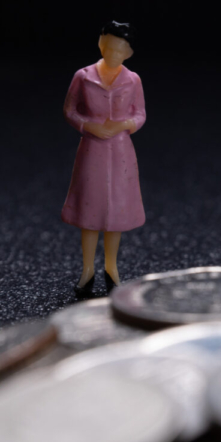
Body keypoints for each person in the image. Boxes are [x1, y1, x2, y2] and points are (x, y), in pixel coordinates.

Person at [62, 21, 146, 298]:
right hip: (92, 150)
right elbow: (70, 110)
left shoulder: (133, 80)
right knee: (90, 212)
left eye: (119, 50)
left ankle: (112, 267)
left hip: (121, 152)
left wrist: (123, 125)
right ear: (100, 44)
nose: (112, 54)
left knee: (116, 214)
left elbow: (140, 114)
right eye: (108, 47)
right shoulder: (83, 76)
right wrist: (89, 126)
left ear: (129, 53)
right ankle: (87, 270)